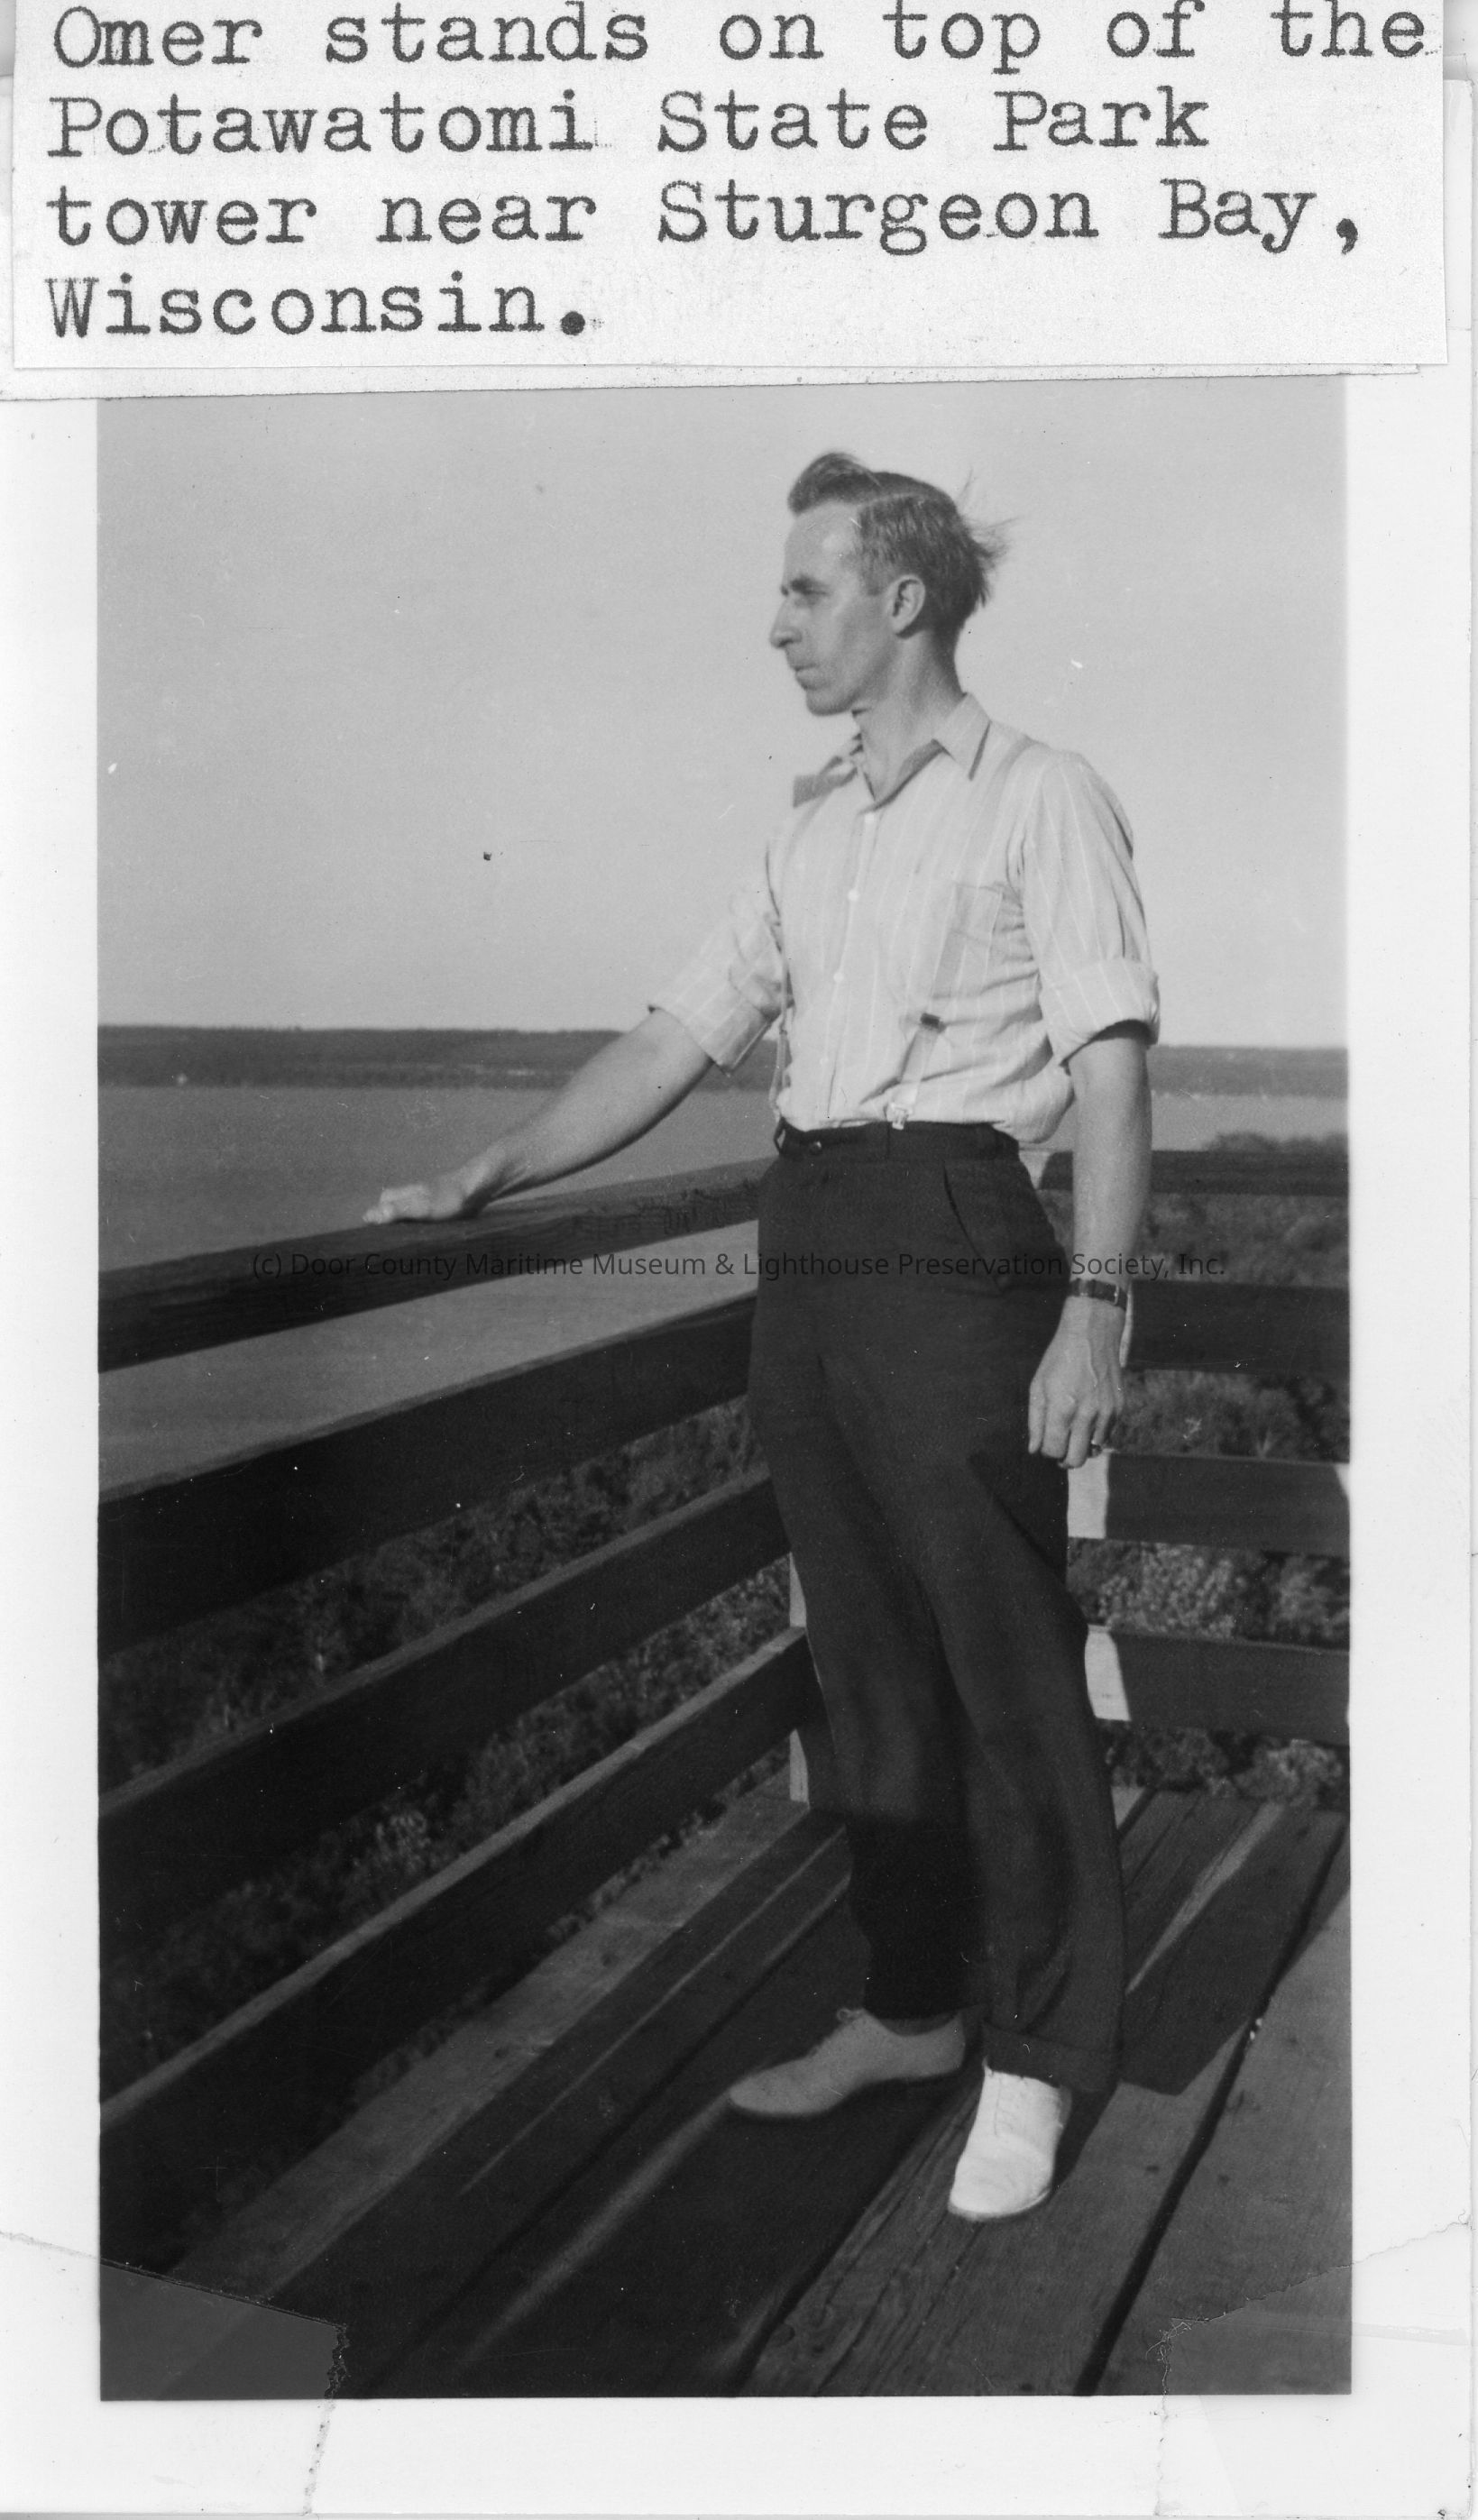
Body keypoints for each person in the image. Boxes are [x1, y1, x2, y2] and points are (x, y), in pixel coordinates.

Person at [367, 452, 1158, 2221]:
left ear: (903, 598)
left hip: (958, 1246)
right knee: (864, 1667)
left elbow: (1111, 1078)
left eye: (806, 590)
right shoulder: (808, 826)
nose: (776, 624)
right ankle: (915, 2009)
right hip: (810, 1251)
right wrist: (486, 1171)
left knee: (1002, 1672)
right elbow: (676, 1037)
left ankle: (1039, 2058)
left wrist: (1094, 1314)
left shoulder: (1042, 797)